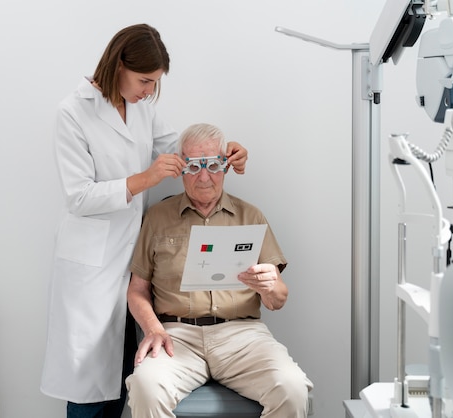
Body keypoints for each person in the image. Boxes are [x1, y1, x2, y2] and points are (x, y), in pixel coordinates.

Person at [39, 25, 248, 418]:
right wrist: (145, 179)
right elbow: (79, 196)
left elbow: (178, 151)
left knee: (123, 377)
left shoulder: (141, 108)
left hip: (132, 257)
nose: (149, 91)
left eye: (155, 84)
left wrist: (223, 152)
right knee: (88, 386)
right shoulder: (72, 112)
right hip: (91, 264)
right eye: (145, 81)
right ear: (119, 65)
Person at [125, 123, 313, 417]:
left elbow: (278, 300)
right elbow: (137, 290)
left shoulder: (249, 216)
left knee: (292, 388)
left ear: (225, 167)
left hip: (242, 335)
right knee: (145, 386)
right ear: (182, 168)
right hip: (176, 335)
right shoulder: (158, 217)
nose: (204, 177)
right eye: (195, 166)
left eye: (213, 165)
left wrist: (270, 286)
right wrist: (153, 329)